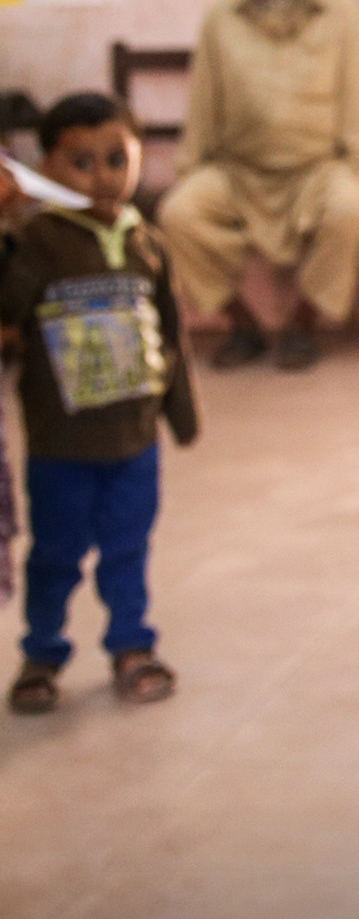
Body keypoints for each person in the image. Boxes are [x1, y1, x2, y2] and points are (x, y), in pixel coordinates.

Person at [2, 93, 198, 715]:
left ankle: (131, 645)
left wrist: (181, 413)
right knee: (56, 551)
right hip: (61, 443)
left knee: (128, 545)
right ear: (48, 165)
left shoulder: (148, 243)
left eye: (118, 158)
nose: (103, 176)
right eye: (81, 162)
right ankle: (42, 651)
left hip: (134, 439)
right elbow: (8, 313)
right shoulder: (38, 242)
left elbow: (170, 332)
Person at [156, 0, 359, 372]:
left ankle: (303, 326)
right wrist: (189, 168)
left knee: (350, 209)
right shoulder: (221, 19)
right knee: (178, 213)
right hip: (236, 171)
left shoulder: (340, 15)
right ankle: (241, 325)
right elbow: (203, 100)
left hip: (319, 169)